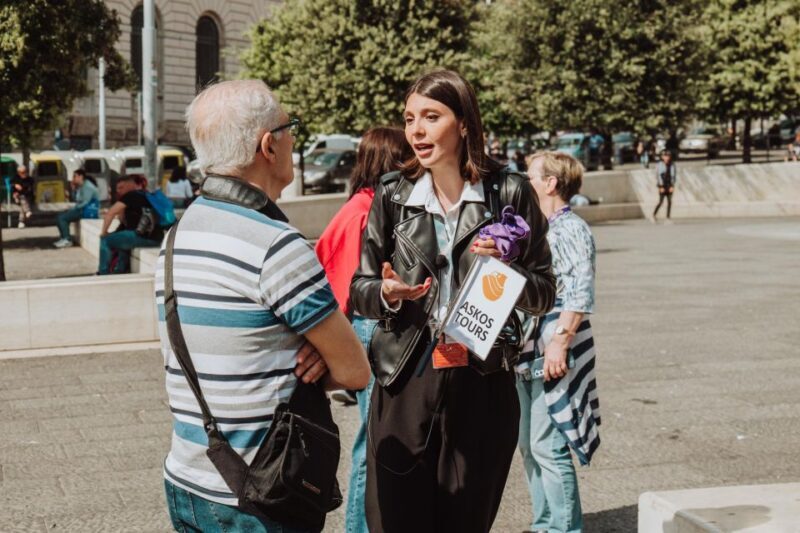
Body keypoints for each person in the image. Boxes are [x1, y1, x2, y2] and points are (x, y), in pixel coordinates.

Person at [157, 79, 370, 533]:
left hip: (187, 477)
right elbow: (354, 371)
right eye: (290, 127)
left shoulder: (178, 234)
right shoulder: (275, 244)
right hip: (256, 494)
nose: (294, 138)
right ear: (267, 145)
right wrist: (316, 354)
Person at [350, 69, 556, 532]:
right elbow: (358, 292)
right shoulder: (393, 194)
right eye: (408, 119)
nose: (416, 131)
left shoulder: (509, 191)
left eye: (431, 116)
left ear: (463, 123)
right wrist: (386, 292)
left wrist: (507, 274)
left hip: (481, 377)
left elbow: (545, 292)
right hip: (405, 375)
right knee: (394, 520)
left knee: (467, 519)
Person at [315, 127, 412, 533]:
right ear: (390, 161)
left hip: (363, 328)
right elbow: (355, 287)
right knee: (369, 444)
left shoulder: (361, 206)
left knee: (371, 439)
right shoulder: (366, 211)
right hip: (370, 328)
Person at [519, 151, 601, 533]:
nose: (524, 180)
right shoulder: (542, 228)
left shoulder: (569, 229)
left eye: (530, 174)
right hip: (529, 350)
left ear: (551, 183)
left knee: (547, 446)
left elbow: (580, 291)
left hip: (549, 348)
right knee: (530, 446)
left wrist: (559, 343)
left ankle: (563, 529)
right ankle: (544, 524)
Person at [97, 175, 163, 274]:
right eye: (117, 188)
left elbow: (110, 213)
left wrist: (104, 232)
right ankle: (120, 269)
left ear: (131, 185)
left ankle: (103, 273)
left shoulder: (130, 195)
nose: (118, 191)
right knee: (122, 238)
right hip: (157, 238)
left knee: (106, 240)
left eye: (121, 187)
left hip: (142, 236)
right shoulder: (148, 195)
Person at [53, 169, 100, 248]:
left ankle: (67, 239)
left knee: (62, 218)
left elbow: (85, 202)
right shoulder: (82, 186)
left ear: (80, 177)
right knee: (60, 216)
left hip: (87, 211)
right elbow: (78, 199)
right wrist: (73, 189)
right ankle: (64, 237)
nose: (73, 178)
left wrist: (73, 208)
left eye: (74, 176)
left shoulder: (87, 186)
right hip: (82, 209)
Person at [653, 149, 677, 222]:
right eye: (665, 156)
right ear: (662, 157)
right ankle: (654, 215)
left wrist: (672, 186)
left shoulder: (672, 164)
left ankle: (668, 217)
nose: (666, 158)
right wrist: (660, 186)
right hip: (662, 185)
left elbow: (674, 176)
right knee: (661, 201)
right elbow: (658, 176)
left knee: (669, 201)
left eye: (668, 156)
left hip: (669, 184)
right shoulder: (659, 165)